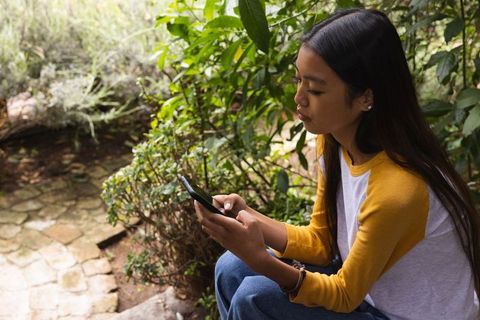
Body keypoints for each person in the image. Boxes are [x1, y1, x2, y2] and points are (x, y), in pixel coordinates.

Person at [194, 8, 480, 320]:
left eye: (315, 89)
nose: (299, 98)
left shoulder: (398, 188)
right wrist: (245, 216)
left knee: (255, 298)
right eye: (298, 80)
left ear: (364, 98)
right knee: (231, 267)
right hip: (369, 293)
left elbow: (344, 294)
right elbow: (322, 242)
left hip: (402, 314)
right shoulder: (333, 142)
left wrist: (261, 259)